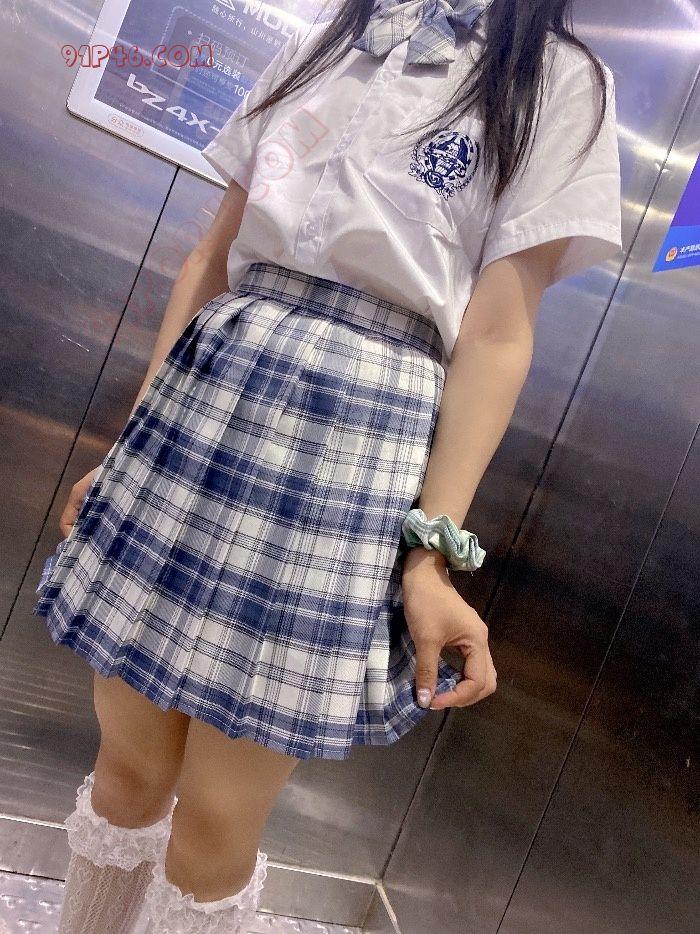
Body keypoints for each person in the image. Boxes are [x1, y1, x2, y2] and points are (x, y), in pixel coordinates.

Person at [32, 0, 623, 931]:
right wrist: (131, 443)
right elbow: (212, 257)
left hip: (358, 438)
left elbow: (498, 336)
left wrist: (430, 558)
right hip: (205, 397)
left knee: (216, 821)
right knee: (127, 769)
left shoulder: (557, 80)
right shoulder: (324, 40)